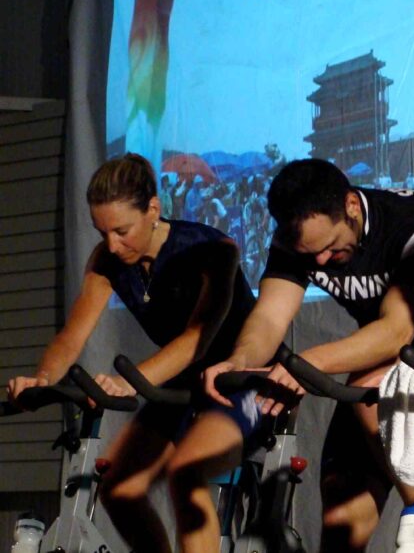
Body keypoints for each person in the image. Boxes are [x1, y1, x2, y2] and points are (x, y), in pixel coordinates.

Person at [202, 158, 414, 551]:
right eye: (311, 254)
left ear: (351, 207)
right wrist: (240, 360)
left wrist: (307, 365)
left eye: (328, 248)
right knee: (340, 514)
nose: (320, 262)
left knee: (368, 384)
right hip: (383, 371)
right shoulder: (299, 239)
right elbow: (271, 315)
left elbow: (396, 332)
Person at [6, 153, 257, 553]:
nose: (111, 244)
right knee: (119, 487)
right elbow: (72, 337)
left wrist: (126, 382)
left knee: (186, 474)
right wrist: (41, 380)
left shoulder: (210, 249)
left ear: (153, 209)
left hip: (240, 376)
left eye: (121, 230)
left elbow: (198, 339)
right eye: (101, 231)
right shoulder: (107, 261)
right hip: (181, 383)